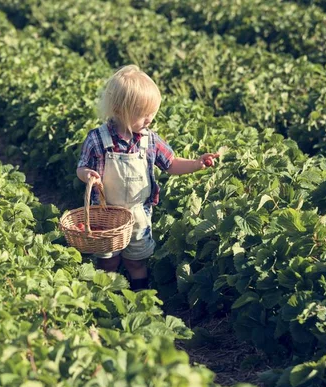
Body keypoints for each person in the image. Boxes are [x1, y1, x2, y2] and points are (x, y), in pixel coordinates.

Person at [76, 65, 219, 291]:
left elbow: (171, 164)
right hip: (105, 215)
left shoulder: (149, 140)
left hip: (138, 214)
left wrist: (197, 163)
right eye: (143, 114)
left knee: (137, 261)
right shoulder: (97, 139)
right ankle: (105, 295)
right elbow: (82, 166)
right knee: (108, 260)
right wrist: (88, 175)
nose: (150, 119)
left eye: (152, 113)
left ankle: (139, 296)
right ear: (120, 110)